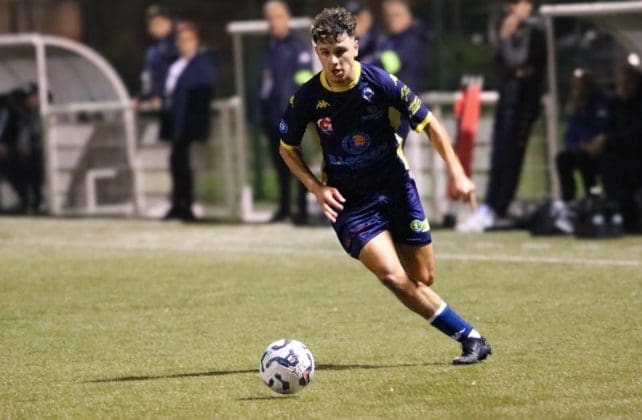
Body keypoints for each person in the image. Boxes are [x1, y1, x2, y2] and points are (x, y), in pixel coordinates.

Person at [279, 7, 491, 364]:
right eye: (325, 53)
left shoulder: (381, 84)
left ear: (356, 46)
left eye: (340, 51)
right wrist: (317, 188)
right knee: (392, 276)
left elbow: (430, 124)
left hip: (396, 189)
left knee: (423, 276)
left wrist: (458, 174)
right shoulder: (307, 98)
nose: (334, 61)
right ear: (317, 52)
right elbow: (287, 148)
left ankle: (467, 334)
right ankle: (470, 337)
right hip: (350, 203)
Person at [457, 0, 546, 232]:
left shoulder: (535, 29)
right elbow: (501, 63)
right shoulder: (512, 28)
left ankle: (498, 208)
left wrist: (506, 39)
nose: (510, 9)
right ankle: (491, 207)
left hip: (523, 104)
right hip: (507, 100)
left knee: (510, 156)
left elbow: (516, 61)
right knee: (499, 156)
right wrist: (506, 44)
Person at [260, 0, 314, 223]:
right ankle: (284, 207)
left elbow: (304, 79)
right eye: (270, 18)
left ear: (287, 19)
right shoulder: (269, 48)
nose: (274, 22)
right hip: (272, 115)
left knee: (298, 163)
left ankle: (302, 209)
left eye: (278, 17)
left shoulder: (298, 47)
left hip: (292, 115)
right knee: (279, 163)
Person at [159, 21, 216, 221]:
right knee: (176, 162)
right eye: (181, 40)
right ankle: (178, 203)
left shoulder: (201, 63)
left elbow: (202, 88)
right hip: (175, 121)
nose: (185, 44)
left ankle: (187, 205)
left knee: (185, 164)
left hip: (189, 122)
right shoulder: (174, 65)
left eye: (188, 40)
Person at [583, 64, 642, 233]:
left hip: (636, 155)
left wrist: (608, 141)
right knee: (592, 160)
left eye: (627, 83)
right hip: (620, 155)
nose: (623, 87)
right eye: (620, 83)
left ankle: (629, 218)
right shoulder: (614, 103)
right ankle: (597, 209)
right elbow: (605, 127)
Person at [555, 69, 608, 203]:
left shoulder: (602, 102)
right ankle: (568, 199)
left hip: (600, 149)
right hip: (582, 149)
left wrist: (594, 143)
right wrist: (578, 146)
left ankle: (593, 195)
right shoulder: (577, 109)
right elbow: (570, 135)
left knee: (586, 160)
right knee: (563, 159)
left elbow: (604, 126)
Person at [0, 83, 44, 214]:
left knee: (32, 165)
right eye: (36, 97)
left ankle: (33, 202)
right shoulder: (9, 107)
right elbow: (3, 126)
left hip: (20, 151)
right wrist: (2, 142)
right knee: (11, 166)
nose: (38, 101)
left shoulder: (29, 111)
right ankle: (27, 200)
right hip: (9, 151)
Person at [137, 5, 177, 109]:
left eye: (160, 23)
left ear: (170, 23)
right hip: (159, 104)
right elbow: (147, 78)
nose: (157, 27)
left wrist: (160, 95)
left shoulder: (178, 44)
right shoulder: (152, 51)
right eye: (153, 24)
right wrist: (142, 97)